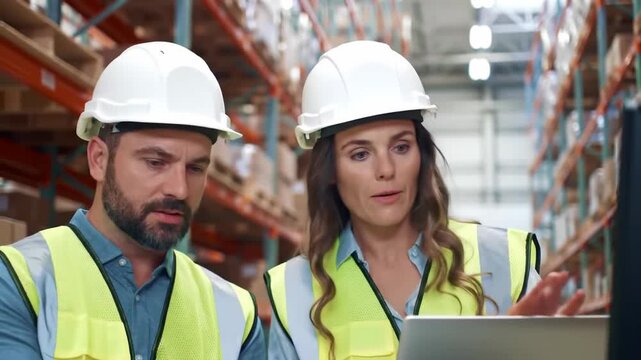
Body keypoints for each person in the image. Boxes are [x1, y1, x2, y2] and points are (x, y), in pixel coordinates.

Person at [264, 40, 586, 360]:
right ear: (330, 169)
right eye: (360, 154)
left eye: (401, 147)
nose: (386, 170)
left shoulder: (502, 261)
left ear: (422, 154)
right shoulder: (293, 290)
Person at [0, 42, 265, 360]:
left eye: (195, 168)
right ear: (99, 159)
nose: (179, 189)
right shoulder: (20, 282)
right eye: (155, 162)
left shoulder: (236, 314)